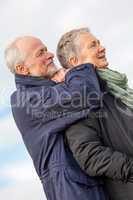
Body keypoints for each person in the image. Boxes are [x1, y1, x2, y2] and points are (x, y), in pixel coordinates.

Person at [5, 36, 108, 200]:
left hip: (90, 186)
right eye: (40, 53)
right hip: (74, 192)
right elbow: (85, 95)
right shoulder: (24, 100)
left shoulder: (54, 89)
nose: (50, 54)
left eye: (46, 49)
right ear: (22, 69)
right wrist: (76, 70)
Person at [56, 27, 133, 200]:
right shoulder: (78, 101)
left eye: (98, 43)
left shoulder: (118, 89)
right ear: (75, 61)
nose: (102, 48)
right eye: (93, 45)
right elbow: (90, 155)